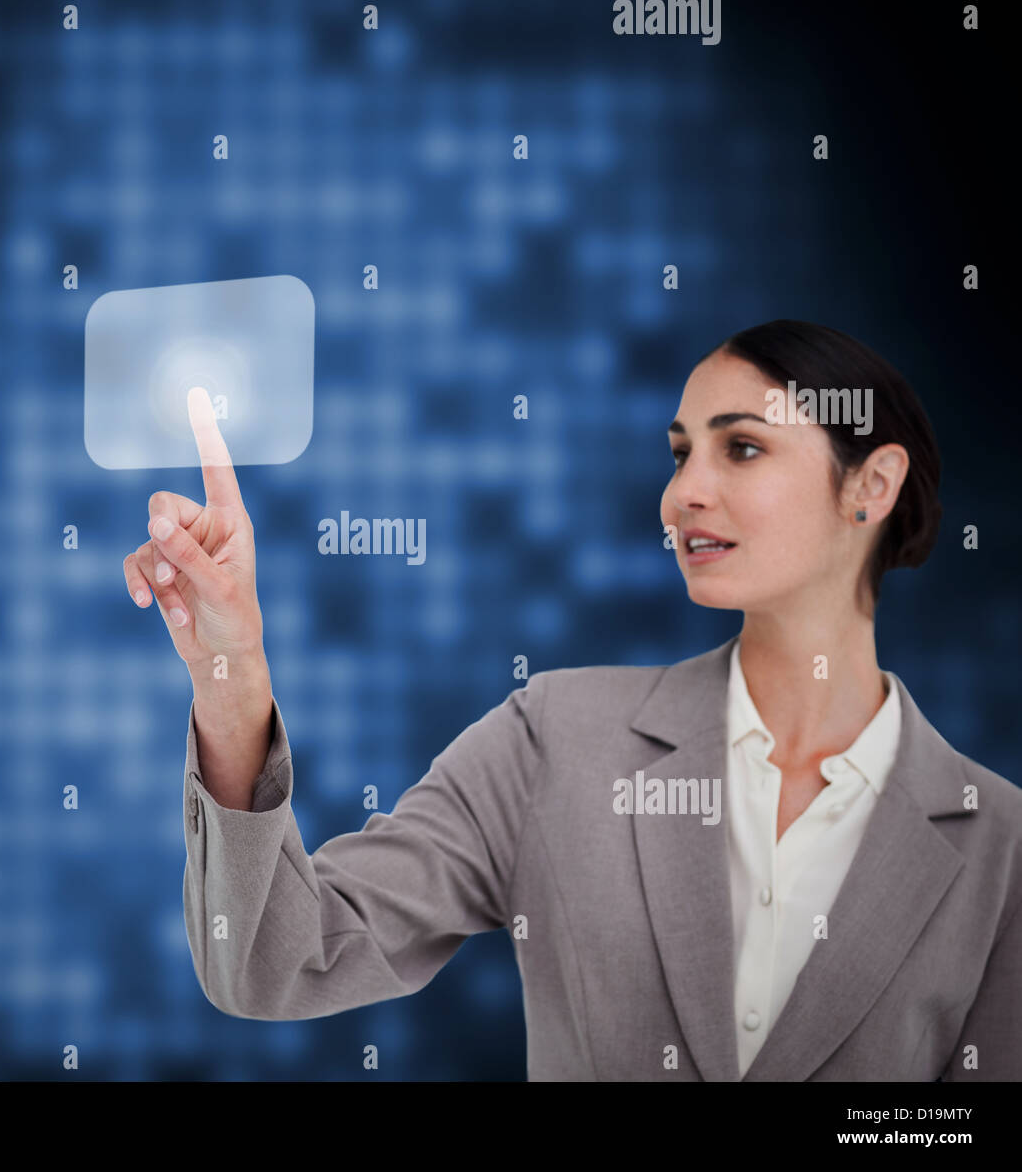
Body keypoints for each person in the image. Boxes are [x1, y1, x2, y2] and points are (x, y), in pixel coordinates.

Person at [121, 320, 1022, 1081]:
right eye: (680, 453)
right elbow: (274, 960)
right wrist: (229, 669)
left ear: (871, 485)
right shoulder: (553, 739)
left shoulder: (1000, 844)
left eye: (741, 447)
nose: (681, 493)